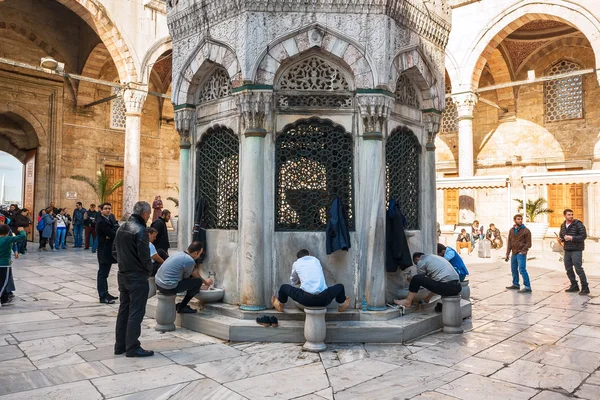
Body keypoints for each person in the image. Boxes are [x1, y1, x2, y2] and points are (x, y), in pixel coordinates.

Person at [114, 201, 154, 357]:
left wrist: (125, 263)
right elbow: (145, 257)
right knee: (135, 312)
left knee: (124, 310)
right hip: (137, 277)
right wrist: (147, 271)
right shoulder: (141, 230)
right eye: (149, 215)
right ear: (144, 214)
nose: (149, 217)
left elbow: (114, 252)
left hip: (123, 275)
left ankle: (120, 345)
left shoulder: (121, 228)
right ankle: (132, 347)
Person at [271, 249, 350, 312]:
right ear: (309, 255)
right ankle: (341, 305)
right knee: (340, 287)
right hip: (324, 299)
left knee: (284, 287)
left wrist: (300, 281)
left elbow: (293, 281)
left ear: (298, 258)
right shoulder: (316, 260)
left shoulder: (297, 263)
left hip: (306, 299)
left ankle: (280, 305)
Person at [155, 241, 210, 313]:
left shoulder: (179, 254)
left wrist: (205, 282)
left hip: (158, 283)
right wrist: (203, 284)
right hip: (168, 287)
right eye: (199, 254)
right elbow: (186, 277)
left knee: (194, 281)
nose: (199, 256)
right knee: (197, 282)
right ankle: (182, 307)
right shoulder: (189, 260)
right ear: (195, 253)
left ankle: (180, 305)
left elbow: (193, 272)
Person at [394, 252, 461, 308]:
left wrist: (412, 279)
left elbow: (419, 278)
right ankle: (427, 299)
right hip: (457, 287)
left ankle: (407, 301)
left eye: (416, 264)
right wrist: (427, 299)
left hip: (448, 287)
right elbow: (436, 282)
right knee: (431, 281)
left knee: (416, 278)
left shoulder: (421, 261)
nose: (417, 266)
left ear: (417, 258)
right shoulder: (434, 258)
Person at [559, 209, 589, 295]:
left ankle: (585, 287)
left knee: (578, 268)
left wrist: (572, 238)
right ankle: (574, 285)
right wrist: (561, 239)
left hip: (577, 249)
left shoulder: (578, 224)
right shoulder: (563, 225)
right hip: (567, 249)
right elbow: (562, 235)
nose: (571, 216)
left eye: (572, 214)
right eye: (569, 215)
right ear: (564, 215)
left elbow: (583, 236)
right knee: (568, 268)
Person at [96, 202, 119, 304]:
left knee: (105, 274)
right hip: (104, 250)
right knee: (102, 274)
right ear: (101, 210)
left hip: (108, 250)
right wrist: (112, 232)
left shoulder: (109, 218)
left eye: (109, 208)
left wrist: (113, 231)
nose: (108, 210)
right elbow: (112, 234)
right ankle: (102, 296)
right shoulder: (101, 221)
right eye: (105, 208)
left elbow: (115, 229)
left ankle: (106, 293)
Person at [505, 214, 532, 293]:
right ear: (515, 220)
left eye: (521, 219)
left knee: (522, 269)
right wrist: (507, 253)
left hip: (521, 253)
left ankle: (527, 287)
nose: (520, 220)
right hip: (514, 253)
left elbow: (529, 243)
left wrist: (523, 251)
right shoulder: (512, 230)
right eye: (518, 219)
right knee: (513, 269)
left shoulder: (526, 230)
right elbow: (509, 243)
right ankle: (515, 284)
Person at [1, 225, 26, 305]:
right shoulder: (8, 239)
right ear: (8, 232)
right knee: (4, 282)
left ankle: (4, 299)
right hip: (4, 264)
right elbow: (22, 236)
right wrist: (21, 230)